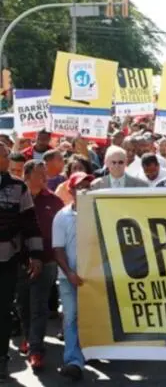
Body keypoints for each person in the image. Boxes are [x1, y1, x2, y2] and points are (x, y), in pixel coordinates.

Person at [0, 142, 43, 383]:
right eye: (4, 156)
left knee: (2, 312)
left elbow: (30, 223)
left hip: (7, 261)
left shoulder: (18, 188)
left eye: (6, 155)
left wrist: (35, 255)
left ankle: (1, 359)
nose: (7, 159)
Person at [17, 160, 64, 371]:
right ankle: (28, 337)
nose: (46, 179)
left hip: (46, 261)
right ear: (27, 176)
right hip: (19, 262)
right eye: (40, 175)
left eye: (46, 174)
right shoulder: (15, 197)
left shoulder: (54, 201)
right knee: (24, 304)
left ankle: (36, 349)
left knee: (39, 306)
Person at [52, 172, 93, 381]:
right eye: (80, 187)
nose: (85, 190)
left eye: (88, 186)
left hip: (94, 280)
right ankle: (73, 360)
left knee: (91, 318)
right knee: (71, 317)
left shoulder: (99, 214)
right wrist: (69, 273)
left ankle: (89, 353)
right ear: (71, 191)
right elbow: (58, 249)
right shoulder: (62, 216)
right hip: (69, 278)